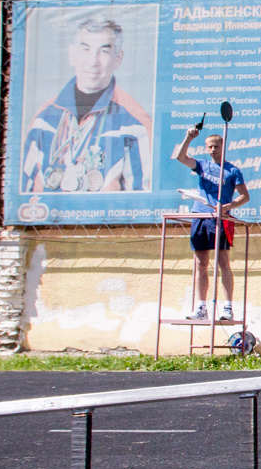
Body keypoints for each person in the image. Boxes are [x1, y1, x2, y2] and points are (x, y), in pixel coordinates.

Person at [21, 16, 150, 193]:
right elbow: (23, 192)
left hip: (106, 220)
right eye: (85, 49)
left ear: (118, 58)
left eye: (103, 51)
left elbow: (141, 198)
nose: (93, 61)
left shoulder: (135, 122)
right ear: (72, 54)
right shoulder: (44, 118)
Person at [173, 120, 249, 321]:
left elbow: (244, 196)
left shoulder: (233, 171)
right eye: (210, 147)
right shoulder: (202, 166)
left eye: (217, 146)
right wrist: (189, 137)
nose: (213, 150)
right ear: (206, 149)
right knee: (200, 263)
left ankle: (227, 308)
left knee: (223, 261)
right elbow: (180, 157)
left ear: (223, 147)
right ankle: (201, 308)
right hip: (200, 216)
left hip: (220, 219)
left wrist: (228, 206)